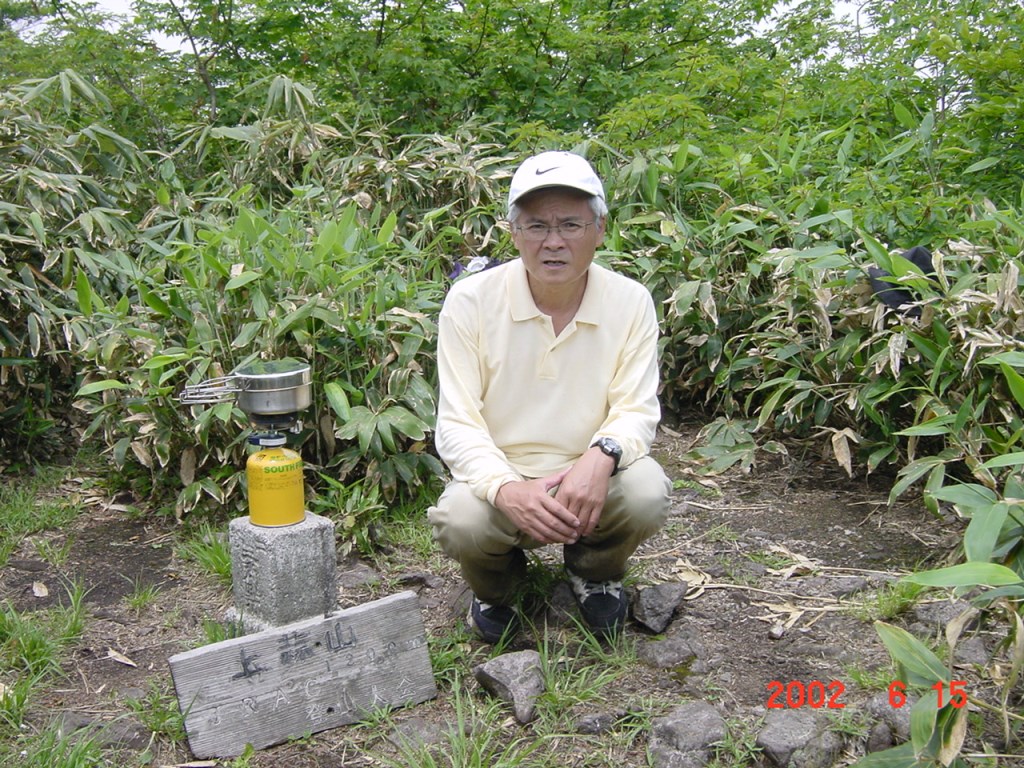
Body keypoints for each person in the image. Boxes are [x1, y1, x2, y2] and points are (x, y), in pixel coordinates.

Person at [428, 150, 672, 643]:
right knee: (461, 520)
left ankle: (594, 571)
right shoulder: (470, 301)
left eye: (571, 225)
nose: (554, 242)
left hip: (590, 475)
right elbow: (457, 422)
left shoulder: (629, 301)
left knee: (646, 492)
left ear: (600, 230)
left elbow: (636, 408)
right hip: (502, 475)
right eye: (536, 226)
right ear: (513, 233)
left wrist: (600, 458)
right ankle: (498, 588)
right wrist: (505, 487)